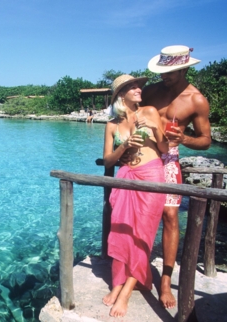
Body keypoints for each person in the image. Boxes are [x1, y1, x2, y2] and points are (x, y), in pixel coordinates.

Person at [141, 45, 211, 309]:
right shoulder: (150, 91)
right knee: (140, 214)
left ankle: (166, 281)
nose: (164, 76)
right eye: (163, 71)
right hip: (144, 156)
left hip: (169, 159)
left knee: (170, 216)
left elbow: (205, 141)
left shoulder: (196, 100)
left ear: (183, 69)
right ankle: (138, 269)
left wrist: (185, 138)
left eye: (169, 72)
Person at [102, 74, 168, 317]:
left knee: (142, 232)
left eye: (139, 86)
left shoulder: (150, 112)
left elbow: (164, 148)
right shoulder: (112, 124)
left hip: (151, 174)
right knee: (121, 230)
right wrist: (125, 144)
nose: (139, 89)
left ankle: (126, 292)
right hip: (125, 176)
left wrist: (156, 131)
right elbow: (108, 159)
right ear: (121, 95)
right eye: (132, 87)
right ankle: (118, 282)